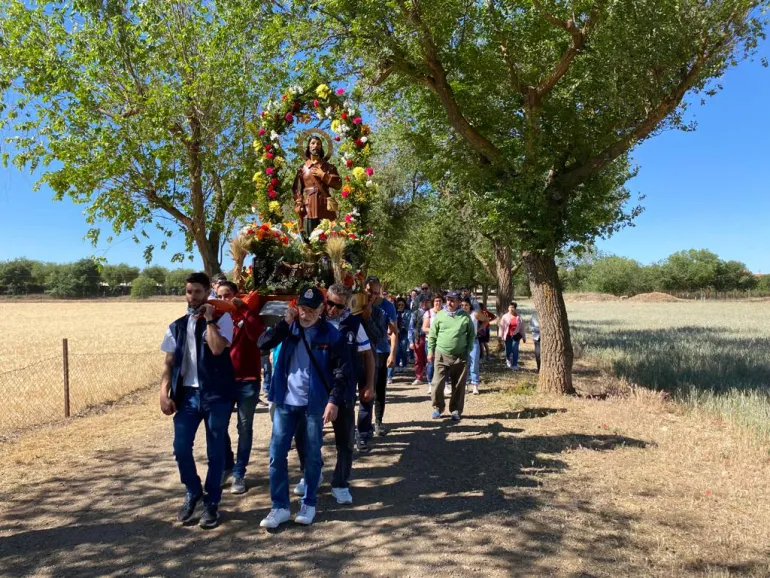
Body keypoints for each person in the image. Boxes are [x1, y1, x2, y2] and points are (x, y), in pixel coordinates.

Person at [257, 286, 349, 528]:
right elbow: (262, 343)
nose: (305, 314)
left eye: (311, 309)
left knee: (311, 455)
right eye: (302, 308)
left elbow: (341, 371)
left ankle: (308, 502)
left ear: (321, 309)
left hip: (314, 404)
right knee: (277, 455)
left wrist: (333, 401)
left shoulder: (331, 334)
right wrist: (284, 324)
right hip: (285, 403)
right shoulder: (288, 328)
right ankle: (279, 507)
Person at [159, 272, 236, 529]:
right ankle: (193, 491)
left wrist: (210, 320)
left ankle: (212, 503)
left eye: (198, 292)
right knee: (181, 448)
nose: (193, 296)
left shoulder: (224, 320)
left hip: (216, 394)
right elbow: (169, 362)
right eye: (189, 292)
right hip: (187, 396)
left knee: (215, 452)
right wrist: (164, 392)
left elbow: (216, 349)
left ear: (208, 293)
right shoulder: (177, 325)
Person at [299, 283, 374, 505]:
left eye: (339, 306)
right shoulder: (313, 322)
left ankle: (341, 482)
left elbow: (367, 354)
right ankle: (311, 472)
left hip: (344, 390)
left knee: (345, 440)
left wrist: (368, 384)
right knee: (305, 437)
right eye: (329, 303)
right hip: (315, 390)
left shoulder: (353, 324)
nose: (333, 309)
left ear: (346, 305)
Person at [215, 281, 264, 495]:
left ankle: (239, 472)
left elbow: (258, 337)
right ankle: (227, 464)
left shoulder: (250, 314)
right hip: (223, 381)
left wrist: (244, 309)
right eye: (219, 296)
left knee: (244, 427)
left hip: (248, 380)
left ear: (237, 296)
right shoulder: (215, 319)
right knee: (218, 425)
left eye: (227, 296)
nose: (223, 300)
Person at [357, 275, 397, 440]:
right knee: (364, 390)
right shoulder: (356, 304)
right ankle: (363, 428)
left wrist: (393, 353)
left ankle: (378, 422)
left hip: (379, 351)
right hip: (359, 354)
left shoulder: (385, 308)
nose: (372, 295)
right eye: (369, 291)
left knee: (378, 389)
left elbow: (391, 332)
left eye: (375, 292)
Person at [427, 291, 475, 421]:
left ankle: (455, 410)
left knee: (458, 384)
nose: (449, 302)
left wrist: (468, 348)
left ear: (459, 302)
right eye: (448, 300)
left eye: (453, 300)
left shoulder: (465, 316)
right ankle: (438, 407)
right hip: (441, 354)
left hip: (460, 356)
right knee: (437, 383)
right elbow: (432, 335)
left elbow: (471, 334)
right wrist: (430, 351)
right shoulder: (440, 315)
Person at [292, 135, 342, 238]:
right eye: (313, 143)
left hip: (324, 207)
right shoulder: (302, 169)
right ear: (308, 147)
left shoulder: (329, 167)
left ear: (321, 148)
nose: (316, 146)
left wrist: (323, 175)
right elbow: (297, 188)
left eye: (318, 144)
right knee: (309, 239)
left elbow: (338, 184)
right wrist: (299, 202)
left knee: (328, 237)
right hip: (308, 208)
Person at [462, 297, 488, 395]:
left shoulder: (475, 314)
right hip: (462, 342)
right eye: (462, 305)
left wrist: (479, 329)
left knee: (474, 364)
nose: (464, 307)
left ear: (470, 306)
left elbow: (486, 320)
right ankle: (464, 384)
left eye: (466, 305)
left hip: (473, 341)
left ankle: (475, 385)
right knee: (464, 364)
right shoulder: (459, 315)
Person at [422, 294, 443, 394]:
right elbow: (424, 328)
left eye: (439, 301)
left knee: (444, 363)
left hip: (443, 342)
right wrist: (435, 331)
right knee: (431, 363)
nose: (438, 303)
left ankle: (445, 384)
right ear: (433, 302)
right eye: (436, 301)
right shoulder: (428, 313)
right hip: (431, 341)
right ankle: (430, 383)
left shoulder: (445, 313)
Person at [498, 302, 526, 370]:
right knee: (508, 349)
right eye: (510, 307)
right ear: (508, 308)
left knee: (515, 349)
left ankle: (515, 364)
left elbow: (522, 328)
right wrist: (500, 336)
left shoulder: (518, 317)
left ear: (515, 308)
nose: (511, 309)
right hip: (507, 336)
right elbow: (501, 327)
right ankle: (508, 360)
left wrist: (524, 337)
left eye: (513, 307)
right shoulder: (505, 316)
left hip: (516, 336)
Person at [409, 297, 430, 386]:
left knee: (430, 358)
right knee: (418, 359)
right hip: (419, 338)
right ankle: (418, 377)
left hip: (429, 337)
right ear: (420, 303)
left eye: (426, 302)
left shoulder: (431, 312)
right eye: (423, 302)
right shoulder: (415, 313)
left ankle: (430, 377)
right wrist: (411, 341)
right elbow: (411, 328)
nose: (425, 303)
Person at [392, 298, 411, 376]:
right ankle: (397, 365)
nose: (400, 306)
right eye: (399, 305)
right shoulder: (394, 312)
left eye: (402, 305)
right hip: (396, 333)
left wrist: (403, 325)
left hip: (404, 332)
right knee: (397, 350)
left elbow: (409, 323)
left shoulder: (408, 313)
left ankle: (404, 365)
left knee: (403, 349)